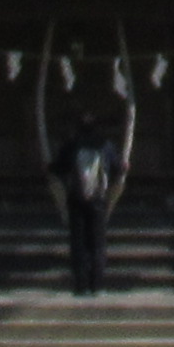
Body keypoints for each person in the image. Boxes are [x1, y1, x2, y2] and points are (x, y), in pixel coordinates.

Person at [46, 102, 134, 297]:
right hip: (98, 199)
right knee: (97, 243)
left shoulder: (72, 145)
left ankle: (81, 286)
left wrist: (50, 167)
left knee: (78, 243)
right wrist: (123, 166)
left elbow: (59, 168)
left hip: (76, 198)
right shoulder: (106, 146)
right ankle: (98, 286)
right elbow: (117, 168)